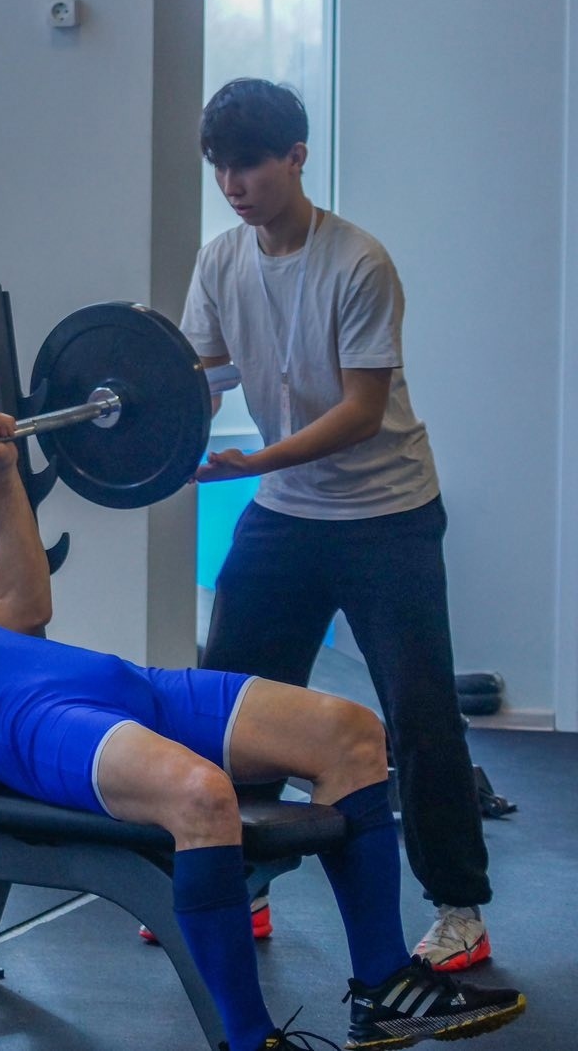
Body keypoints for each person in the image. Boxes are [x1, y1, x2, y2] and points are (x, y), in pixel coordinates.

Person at [0, 409, 526, 1051]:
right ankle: (248, 1039)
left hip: (129, 684)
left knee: (351, 733)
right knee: (201, 798)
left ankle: (383, 987)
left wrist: (3, 472)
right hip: (45, 723)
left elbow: (22, 605)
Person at [179, 78, 493, 972]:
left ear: (296, 158)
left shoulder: (359, 263)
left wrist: (255, 465)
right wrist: (153, 427)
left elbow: (360, 411)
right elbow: (199, 377)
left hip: (386, 512)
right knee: (231, 702)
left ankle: (460, 908)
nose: (233, 185)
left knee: (418, 711)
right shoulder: (221, 261)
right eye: (220, 168)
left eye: (249, 165)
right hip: (287, 515)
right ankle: (243, 885)